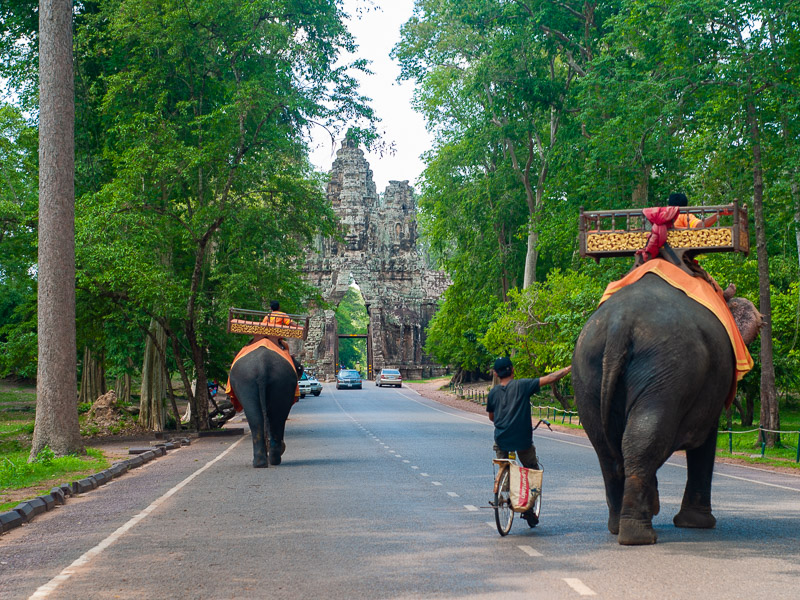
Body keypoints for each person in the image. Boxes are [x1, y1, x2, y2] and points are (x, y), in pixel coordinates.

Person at [487, 357, 571, 525]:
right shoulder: (522, 386)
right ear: (513, 370)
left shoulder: (493, 393)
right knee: (531, 469)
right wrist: (571, 367)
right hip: (522, 439)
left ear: (496, 373)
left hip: (502, 439)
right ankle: (529, 508)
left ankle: (506, 490)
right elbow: (551, 378)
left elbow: (491, 417)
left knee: (504, 465)